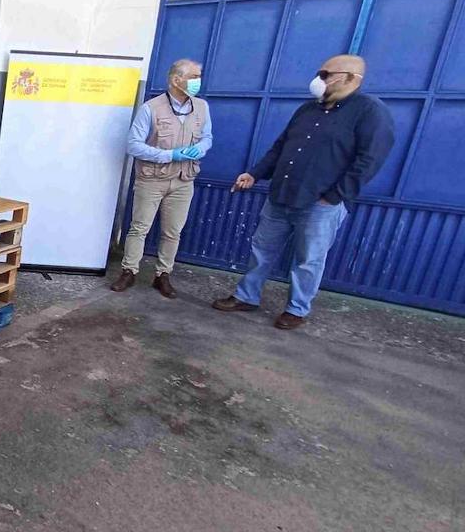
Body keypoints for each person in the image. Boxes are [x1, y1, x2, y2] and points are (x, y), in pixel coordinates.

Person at [213, 54, 395, 329]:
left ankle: (296, 309)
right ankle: (246, 296)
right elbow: (280, 146)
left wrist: (334, 196)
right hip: (281, 195)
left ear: (351, 78)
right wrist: (255, 173)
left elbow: (370, 159)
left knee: (309, 259)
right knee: (261, 250)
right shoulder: (307, 110)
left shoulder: (369, 111)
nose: (319, 79)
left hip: (320, 204)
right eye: (319, 73)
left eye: (326, 74)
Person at [111, 58, 212, 298]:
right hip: (152, 180)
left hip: (184, 180)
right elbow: (133, 145)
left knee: (172, 232)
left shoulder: (201, 107)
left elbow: (207, 137)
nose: (198, 81)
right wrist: (169, 155)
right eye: (194, 77)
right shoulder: (151, 108)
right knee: (139, 228)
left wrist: (201, 148)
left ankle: (163, 275)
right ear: (176, 80)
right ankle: (129, 271)